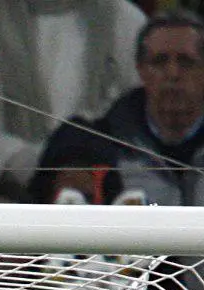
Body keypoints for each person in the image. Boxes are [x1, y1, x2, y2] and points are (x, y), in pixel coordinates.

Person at [0, 0, 143, 183]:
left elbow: (139, 115)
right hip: (11, 186)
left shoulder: (124, 20)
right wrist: (17, 159)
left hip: (104, 181)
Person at [35, 10, 204, 205]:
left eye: (186, 62)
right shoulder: (93, 142)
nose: (172, 74)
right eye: (159, 62)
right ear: (141, 70)